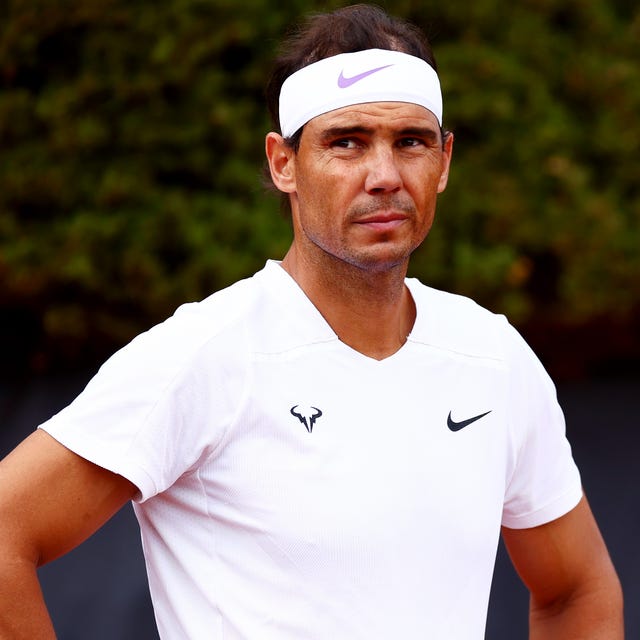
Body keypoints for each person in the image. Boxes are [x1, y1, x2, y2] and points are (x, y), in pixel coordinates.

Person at [0, 4, 623, 639]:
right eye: (346, 142)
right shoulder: (205, 352)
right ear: (283, 163)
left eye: (410, 141)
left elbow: (577, 588)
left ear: (444, 161)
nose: (384, 176)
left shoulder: (493, 357)